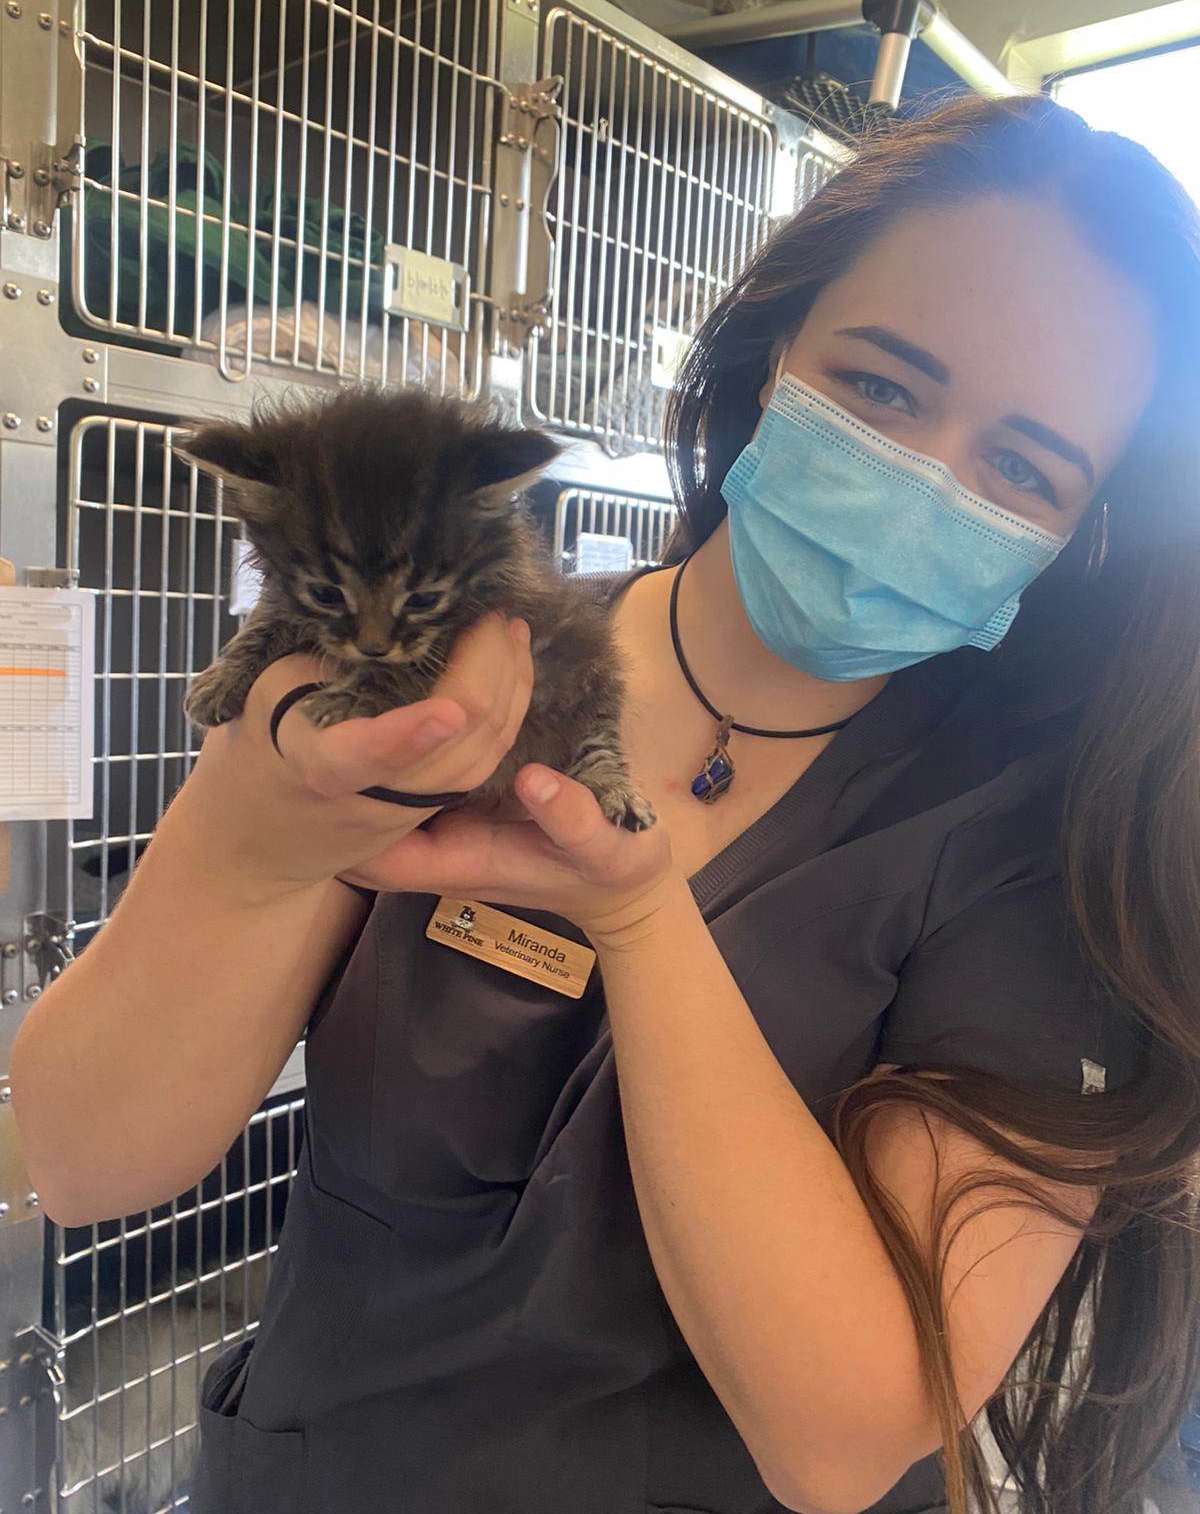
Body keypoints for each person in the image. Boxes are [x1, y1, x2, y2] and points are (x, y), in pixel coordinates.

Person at [11, 92, 1200, 1514]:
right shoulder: (454, 656)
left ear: (1080, 532)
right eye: (883, 388)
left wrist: (639, 923)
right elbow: (80, 1161)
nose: (921, 480)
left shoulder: (1045, 857)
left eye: (1021, 467)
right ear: (774, 353)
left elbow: (842, 1439)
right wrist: (253, 840)